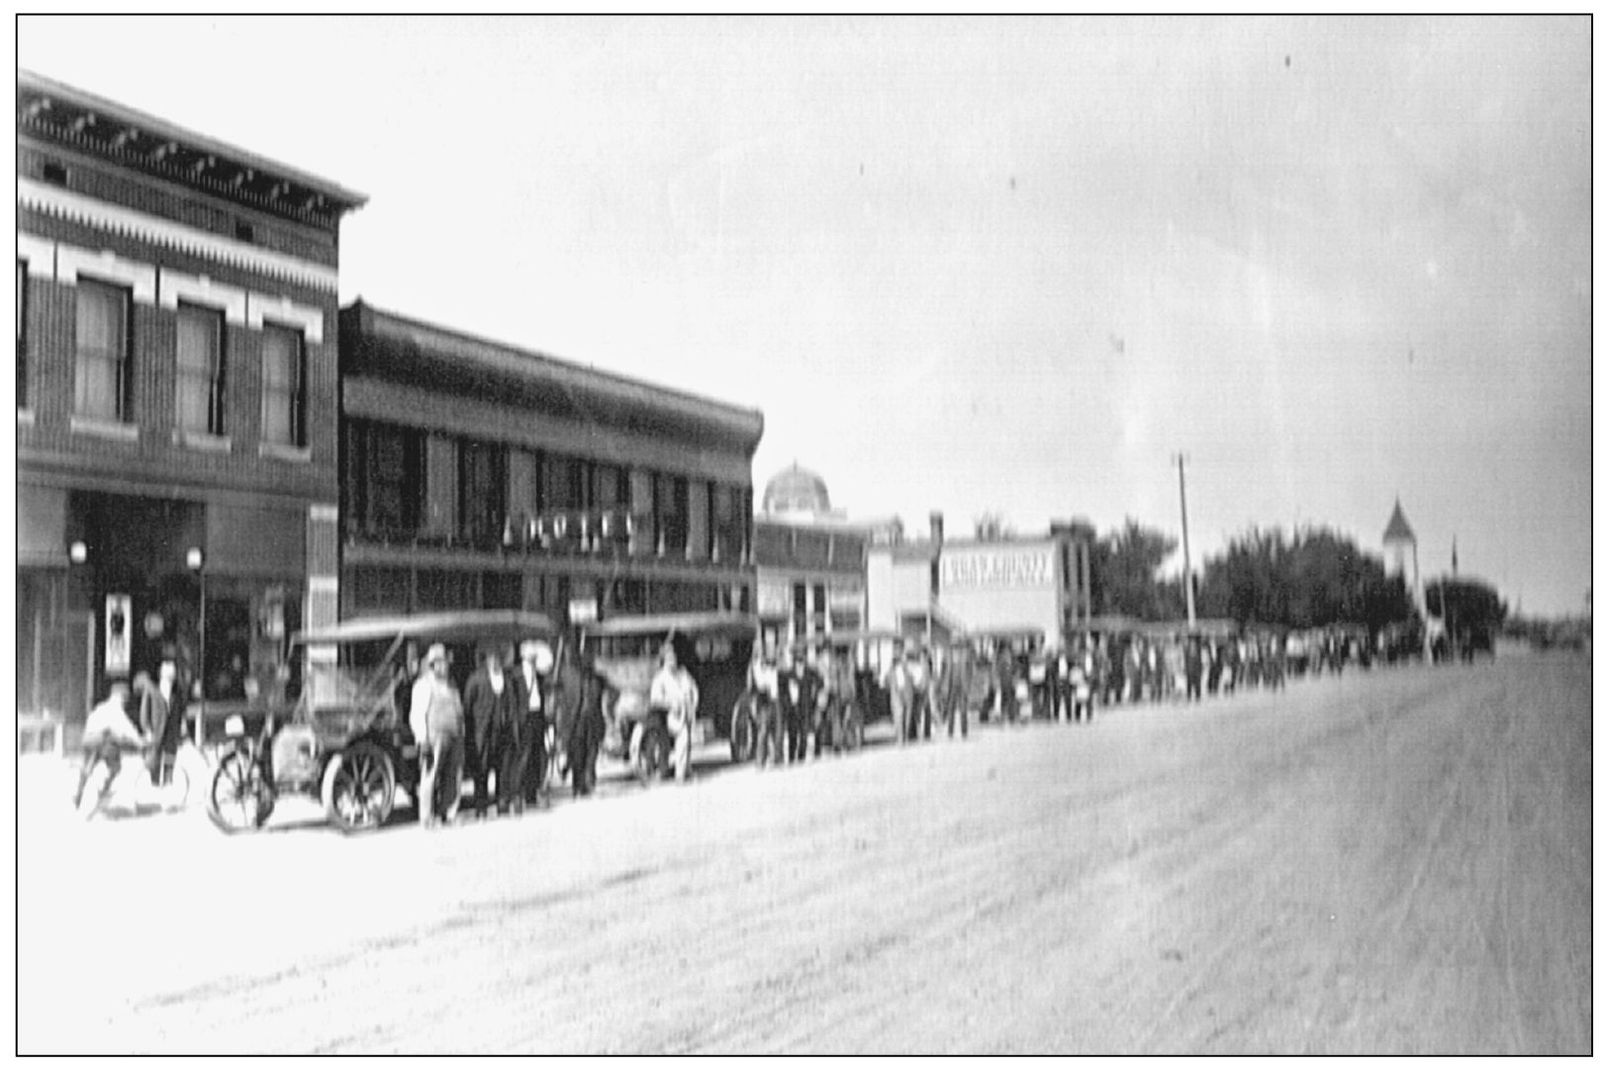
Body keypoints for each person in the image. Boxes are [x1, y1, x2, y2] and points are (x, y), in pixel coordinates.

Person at [410, 644, 465, 827]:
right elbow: (417, 714)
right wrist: (422, 738)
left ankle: (449, 813)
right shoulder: (423, 685)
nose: (443, 667)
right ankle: (426, 817)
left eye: (445, 663)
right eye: (439, 663)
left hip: (454, 734)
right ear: (432, 665)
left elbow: (458, 709)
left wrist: (461, 729)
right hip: (434, 736)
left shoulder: (451, 685)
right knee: (430, 776)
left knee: (453, 775)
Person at [74, 682, 148, 812]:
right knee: (115, 766)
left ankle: (78, 796)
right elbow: (127, 729)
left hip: (87, 739)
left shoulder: (101, 707)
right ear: (120, 697)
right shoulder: (116, 710)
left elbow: (93, 723)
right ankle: (103, 793)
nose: (125, 702)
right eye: (124, 698)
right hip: (100, 741)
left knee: (87, 769)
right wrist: (139, 742)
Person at [464, 644, 520, 817]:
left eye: (498, 658)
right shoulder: (476, 679)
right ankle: (481, 806)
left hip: (503, 730)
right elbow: (467, 706)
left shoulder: (506, 679)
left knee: (503, 768)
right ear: (486, 660)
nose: (495, 661)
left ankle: (502, 802)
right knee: (482, 769)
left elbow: (511, 704)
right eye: (492, 658)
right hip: (483, 732)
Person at [650, 642, 700, 782]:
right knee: (682, 739)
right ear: (664, 660)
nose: (673, 661)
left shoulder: (683, 674)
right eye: (669, 659)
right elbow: (655, 698)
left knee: (687, 741)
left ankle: (685, 769)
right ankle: (679, 774)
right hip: (671, 715)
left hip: (687, 711)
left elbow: (693, 688)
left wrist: (693, 702)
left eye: (674, 658)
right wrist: (670, 704)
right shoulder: (660, 678)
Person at [512, 639, 552, 810]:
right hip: (524, 719)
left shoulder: (539, 674)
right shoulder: (515, 674)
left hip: (537, 717)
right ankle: (517, 795)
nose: (533, 654)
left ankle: (532, 793)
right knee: (523, 757)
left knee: (538, 756)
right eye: (529, 651)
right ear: (522, 654)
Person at [139, 658, 182, 784]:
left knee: (170, 758)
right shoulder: (152, 689)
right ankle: (155, 783)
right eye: (168, 671)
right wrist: (147, 729)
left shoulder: (176, 691)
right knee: (154, 760)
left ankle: (168, 782)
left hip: (171, 731)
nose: (171, 674)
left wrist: (180, 728)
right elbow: (144, 711)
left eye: (173, 671)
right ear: (162, 673)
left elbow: (179, 710)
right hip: (156, 730)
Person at [748, 640, 783, 768]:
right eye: (759, 653)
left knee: (778, 730)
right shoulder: (756, 667)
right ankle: (760, 760)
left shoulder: (772, 666)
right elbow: (757, 685)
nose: (763, 655)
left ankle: (777, 758)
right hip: (764, 701)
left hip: (775, 699)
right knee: (763, 731)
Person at [884, 644, 913, 744]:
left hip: (905, 692)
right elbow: (887, 680)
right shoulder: (892, 667)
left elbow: (910, 677)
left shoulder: (905, 666)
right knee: (899, 716)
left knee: (904, 716)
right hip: (897, 693)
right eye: (896, 651)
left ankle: (904, 737)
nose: (897, 654)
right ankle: (901, 738)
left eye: (899, 651)